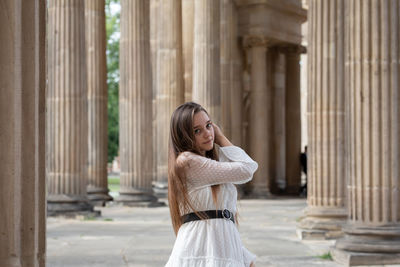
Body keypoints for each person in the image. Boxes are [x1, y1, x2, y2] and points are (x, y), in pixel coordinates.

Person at [165, 102, 258, 267]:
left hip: (220, 249)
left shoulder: (208, 165)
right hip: (201, 250)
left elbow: (220, 216)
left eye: (209, 126)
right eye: (197, 131)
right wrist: (221, 138)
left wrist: (242, 254)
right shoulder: (186, 161)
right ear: (183, 135)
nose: (208, 134)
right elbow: (247, 169)